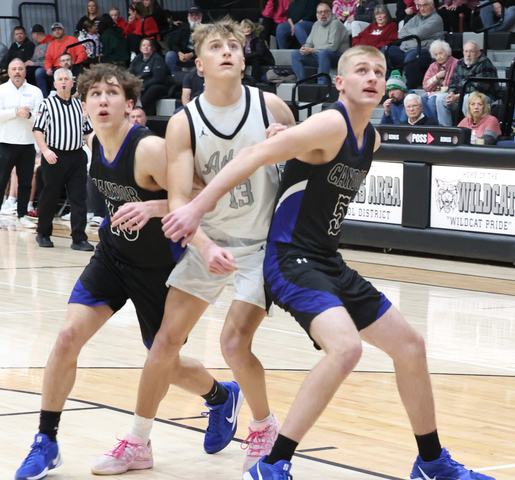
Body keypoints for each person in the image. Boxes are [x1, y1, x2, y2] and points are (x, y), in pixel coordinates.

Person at [161, 45, 497, 480]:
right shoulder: (330, 123)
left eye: (379, 71)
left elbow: (305, 155)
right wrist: (195, 207)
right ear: (340, 83)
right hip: (289, 258)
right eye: (361, 70)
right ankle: (273, 463)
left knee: (410, 346)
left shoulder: (370, 138)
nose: (372, 77)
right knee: (346, 348)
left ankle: (431, 462)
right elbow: (250, 157)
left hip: (326, 259)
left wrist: (292, 135)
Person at [14, 63, 231, 480]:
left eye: (112, 93)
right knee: (66, 337)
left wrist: (154, 206)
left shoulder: (148, 149)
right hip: (113, 257)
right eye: (94, 94)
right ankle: (46, 440)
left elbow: (206, 195)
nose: (102, 100)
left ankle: (221, 397)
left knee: (164, 361)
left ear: (130, 104)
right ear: (83, 105)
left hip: (159, 268)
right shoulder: (93, 141)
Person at [123, 18, 296, 475]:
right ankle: (138, 441)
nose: (226, 52)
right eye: (215, 47)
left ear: (243, 58)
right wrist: (204, 245)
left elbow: (304, 174)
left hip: (261, 246)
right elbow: (181, 200)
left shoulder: (271, 107)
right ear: (198, 65)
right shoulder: (184, 122)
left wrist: (292, 148)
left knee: (234, 345)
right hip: (210, 243)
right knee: (164, 343)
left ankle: (264, 426)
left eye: (233, 46)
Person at [32, 68, 94, 251]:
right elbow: (38, 130)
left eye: (67, 79)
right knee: (49, 197)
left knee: (79, 199)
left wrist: (98, 154)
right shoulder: (47, 104)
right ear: (55, 84)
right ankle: (43, 233)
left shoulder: (80, 105)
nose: (64, 82)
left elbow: (88, 132)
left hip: (77, 157)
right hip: (54, 156)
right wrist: (45, 151)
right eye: (60, 79)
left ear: (73, 82)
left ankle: (79, 238)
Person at [0, 59, 43, 228]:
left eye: (20, 68)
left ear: (25, 71)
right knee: (1, 180)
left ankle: (23, 214)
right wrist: (15, 112)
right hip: (4, 142)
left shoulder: (35, 92)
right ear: (8, 72)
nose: (17, 72)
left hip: (27, 144)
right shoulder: (1, 90)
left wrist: (29, 115)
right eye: (14, 69)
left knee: (25, 182)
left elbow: (41, 118)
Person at [383, 0, 445, 89]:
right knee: (386, 50)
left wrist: (413, 35)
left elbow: (418, 34)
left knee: (411, 58)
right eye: (419, 6)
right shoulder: (417, 17)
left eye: (425, 5)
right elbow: (401, 33)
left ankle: (410, 88)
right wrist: (414, 36)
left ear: (432, 5)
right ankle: (388, 84)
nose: (422, 8)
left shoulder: (436, 19)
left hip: (424, 50)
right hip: (406, 49)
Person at [435, 41, 500, 126]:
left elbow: (479, 88)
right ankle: (446, 130)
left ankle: (469, 128)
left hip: (485, 97)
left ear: (478, 53)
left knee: (468, 98)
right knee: (441, 99)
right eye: (466, 51)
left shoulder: (485, 63)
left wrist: (457, 96)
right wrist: (451, 93)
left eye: (471, 51)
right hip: (461, 96)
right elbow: (453, 82)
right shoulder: (460, 63)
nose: (468, 55)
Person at [292, 3, 349, 85]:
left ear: (330, 13)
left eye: (325, 11)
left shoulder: (336, 24)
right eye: (320, 12)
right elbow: (309, 43)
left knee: (323, 53)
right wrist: (304, 48)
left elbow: (332, 47)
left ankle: (322, 84)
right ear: (317, 14)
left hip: (338, 57)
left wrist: (312, 50)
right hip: (320, 55)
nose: (322, 14)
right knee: (295, 54)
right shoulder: (316, 25)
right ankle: (301, 83)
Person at [37, 23, 88, 98]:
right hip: (57, 69)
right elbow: (48, 59)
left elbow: (82, 53)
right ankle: (44, 98)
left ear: (63, 30)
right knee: (39, 72)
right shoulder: (51, 45)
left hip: (72, 67)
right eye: (54, 30)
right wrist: (48, 68)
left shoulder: (72, 40)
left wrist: (75, 64)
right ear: (52, 33)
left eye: (59, 29)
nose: (57, 32)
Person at [129, 38, 168, 116]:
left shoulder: (157, 59)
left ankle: (139, 109)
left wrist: (142, 85)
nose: (146, 47)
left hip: (156, 85)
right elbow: (130, 73)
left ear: (152, 48)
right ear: (140, 48)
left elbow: (158, 78)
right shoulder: (137, 58)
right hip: (140, 84)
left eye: (148, 45)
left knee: (153, 89)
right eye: (143, 45)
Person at [421, 40, 458, 122]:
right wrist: (436, 77)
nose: (438, 57)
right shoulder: (433, 66)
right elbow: (425, 86)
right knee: (422, 99)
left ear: (447, 52)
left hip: (449, 94)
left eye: (441, 53)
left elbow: (456, 85)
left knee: (432, 100)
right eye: (436, 55)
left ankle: (436, 126)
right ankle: (427, 125)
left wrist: (438, 92)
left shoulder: (456, 64)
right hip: (434, 93)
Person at [165, 5, 203, 73]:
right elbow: (173, 43)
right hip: (183, 56)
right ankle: (176, 76)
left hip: (198, 56)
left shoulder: (205, 29)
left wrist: (191, 54)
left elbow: (205, 47)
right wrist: (179, 53)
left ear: (201, 15)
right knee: (170, 55)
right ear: (188, 16)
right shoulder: (183, 27)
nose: (194, 17)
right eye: (191, 15)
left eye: (196, 15)